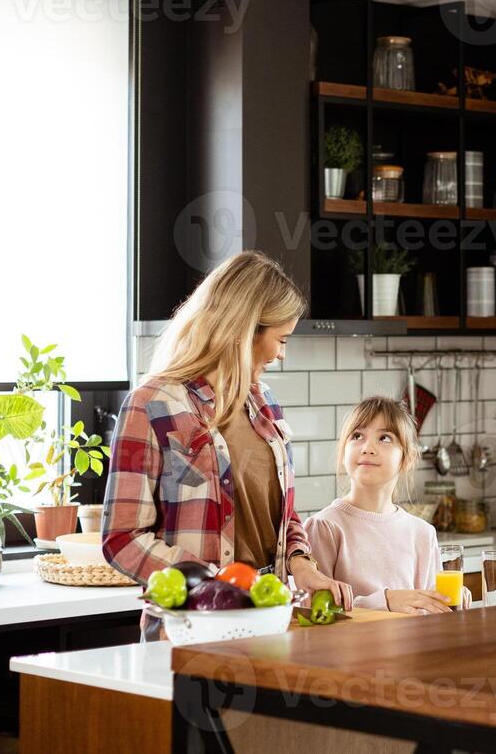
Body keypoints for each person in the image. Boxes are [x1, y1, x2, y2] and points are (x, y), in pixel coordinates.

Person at [102, 250, 351, 628]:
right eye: (281, 340)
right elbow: (121, 537)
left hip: (268, 620)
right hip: (189, 625)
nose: (282, 355)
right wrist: (213, 586)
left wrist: (302, 565)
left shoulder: (266, 406)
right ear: (245, 329)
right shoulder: (151, 406)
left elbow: (283, 515)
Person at [303, 397, 452, 613]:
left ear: (407, 458)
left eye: (384, 438)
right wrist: (385, 601)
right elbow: (314, 612)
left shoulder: (422, 533)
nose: (368, 447)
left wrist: (450, 601)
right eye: (357, 436)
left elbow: (430, 613)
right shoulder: (324, 527)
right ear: (343, 453)